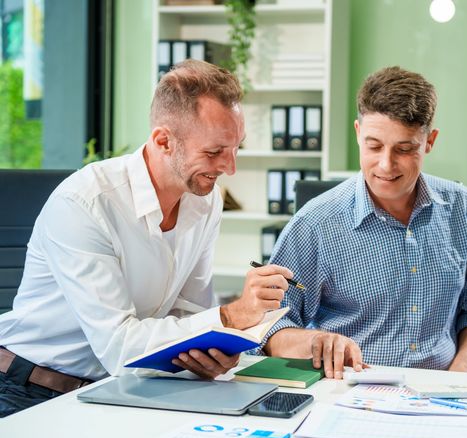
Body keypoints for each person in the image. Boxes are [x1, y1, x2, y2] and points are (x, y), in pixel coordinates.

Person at [0, 60, 293, 417]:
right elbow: (119, 347)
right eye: (214, 152)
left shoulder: (204, 200)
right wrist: (230, 316)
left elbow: (190, 311)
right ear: (163, 141)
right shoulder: (85, 204)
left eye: (236, 149)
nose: (229, 168)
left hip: (123, 388)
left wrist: (208, 353)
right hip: (28, 390)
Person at [259, 66, 467, 379]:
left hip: (444, 391)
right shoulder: (317, 222)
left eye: (404, 149)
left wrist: (457, 380)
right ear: (357, 133)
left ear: (429, 141)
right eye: (374, 146)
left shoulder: (462, 207)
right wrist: (312, 341)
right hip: (349, 391)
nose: (386, 165)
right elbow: (271, 325)